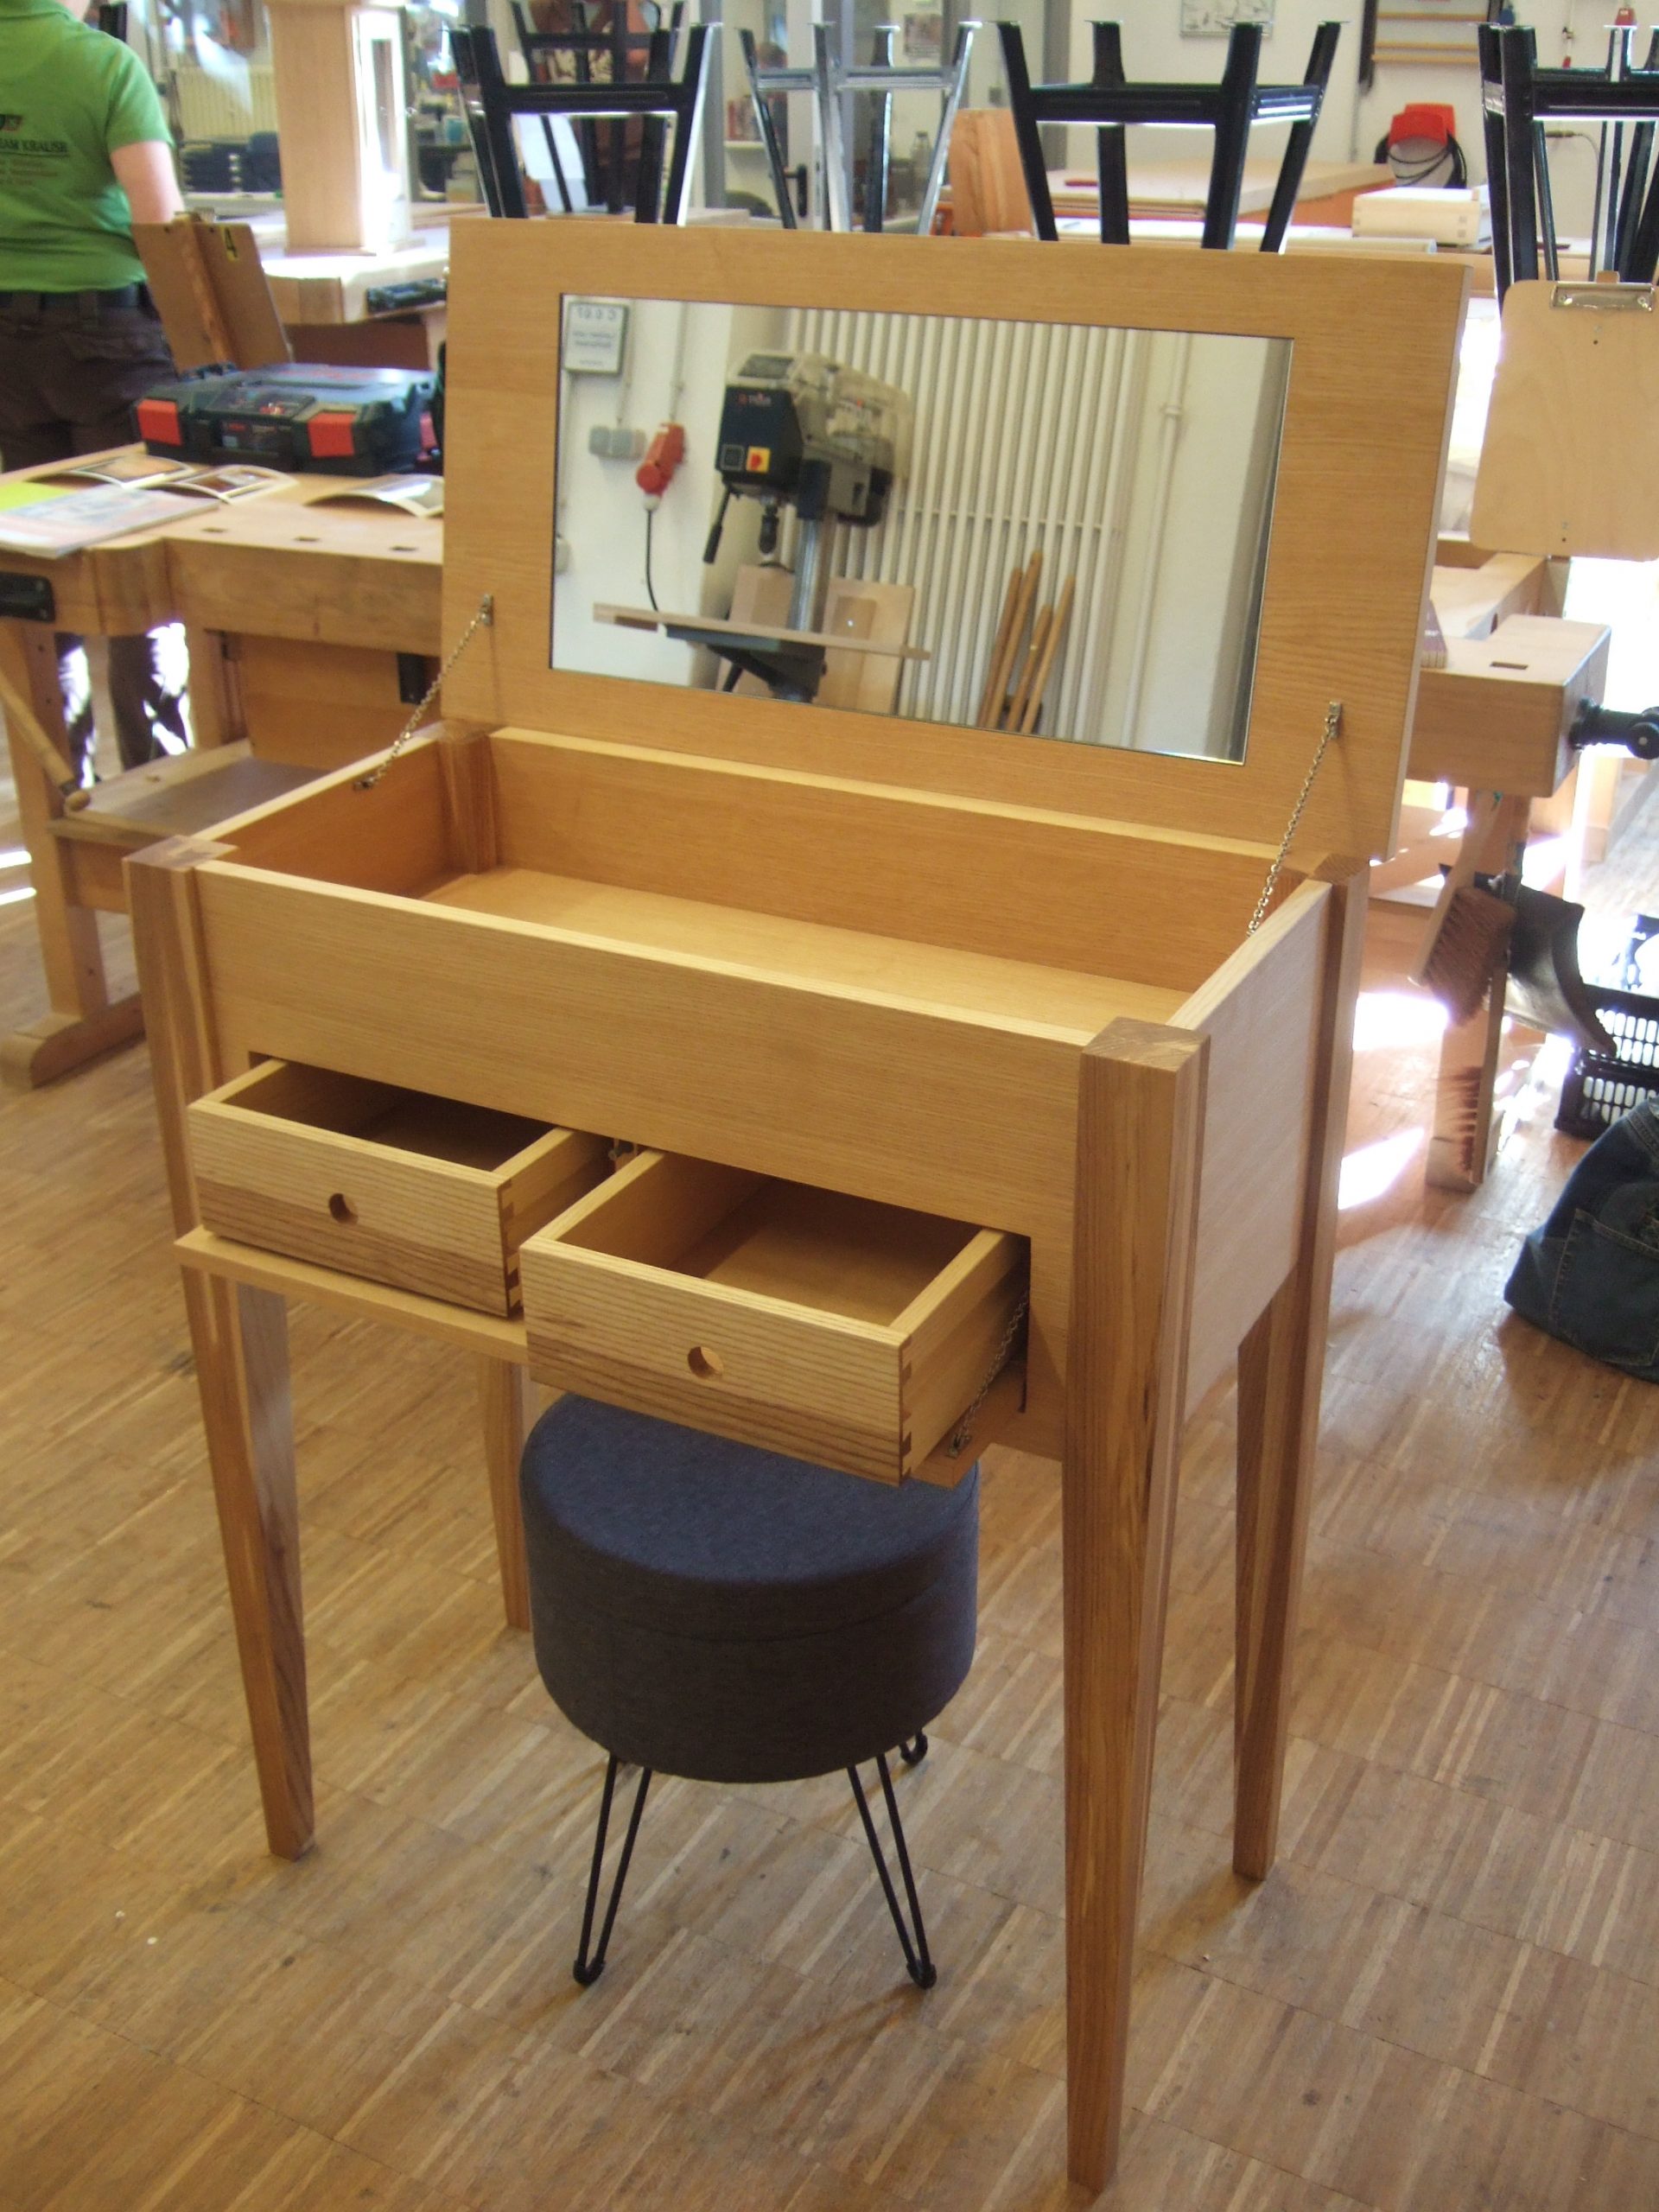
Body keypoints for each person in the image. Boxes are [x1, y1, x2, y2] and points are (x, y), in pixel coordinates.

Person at [0, 0, 187, 773]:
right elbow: (160, 220)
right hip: (105, 339)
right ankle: (160, 785)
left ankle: (63, 789)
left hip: (6, 348)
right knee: (143, 562)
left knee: (43, 574)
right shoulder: (103, 64)